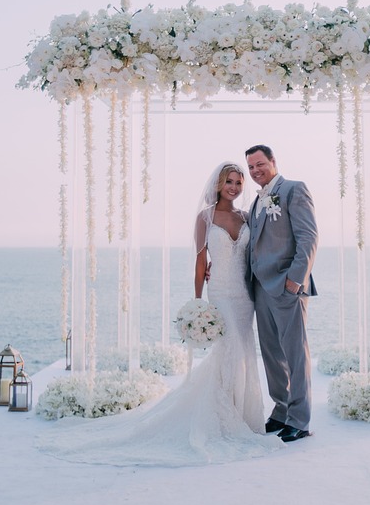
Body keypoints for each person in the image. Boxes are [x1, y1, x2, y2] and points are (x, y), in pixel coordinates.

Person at [36, 161, 280, 466]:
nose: (234, 187)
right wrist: (198, 303)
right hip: (220, 294)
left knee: (244, 353)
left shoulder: (245, 217)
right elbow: (200, 262)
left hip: (244, 297)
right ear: (218, 184)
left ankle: (243, 416)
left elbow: (256, 254)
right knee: (228, 351)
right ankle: (223, 418)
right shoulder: (204, 218)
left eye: (238, 182)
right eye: (229, 181)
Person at [245, 144, 318, 443]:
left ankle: (300, 421)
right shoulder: (256, 201)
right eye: (250, 167)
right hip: (260, 288)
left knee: (295, 354)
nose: (255, 171)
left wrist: (294, 282)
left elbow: (308, 237)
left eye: (259, 164)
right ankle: (281, 410)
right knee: (272, 354)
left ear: (273, 161)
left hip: (287, 287)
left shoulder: (293, 190)